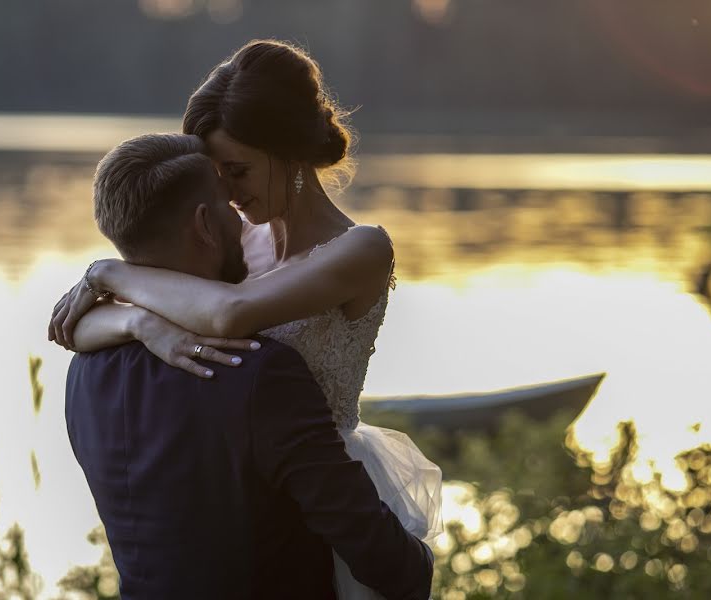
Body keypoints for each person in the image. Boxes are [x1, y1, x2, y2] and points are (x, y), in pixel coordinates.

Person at [51, 40, 442, 599]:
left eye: (238, 171)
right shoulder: (233, 246)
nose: (226, 195)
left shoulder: (358, 250)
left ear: (288, 152)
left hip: (325, 496)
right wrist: (142, 324)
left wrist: (110, 275)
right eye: (217, 174)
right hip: (231, 499)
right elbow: (75, 332)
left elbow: (229, 314)